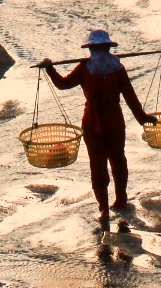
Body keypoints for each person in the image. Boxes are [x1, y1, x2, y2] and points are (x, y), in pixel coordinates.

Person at [42, 30, 155, 230]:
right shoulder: (85, 69)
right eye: (97, 48)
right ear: (91, 50)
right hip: (92, 126)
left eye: (103, 48)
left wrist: (143, 119)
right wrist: (50, 69)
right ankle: (103, 207)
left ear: (108, 49)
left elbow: (130, 97)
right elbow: (63, 84)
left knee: (118, 162)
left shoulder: (117, 69)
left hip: (114, 124)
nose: (100, 52)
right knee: (98, 166)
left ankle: (121, 200)